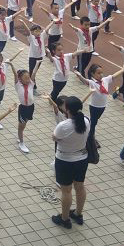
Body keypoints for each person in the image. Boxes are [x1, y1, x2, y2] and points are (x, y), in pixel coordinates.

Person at [51, 96, 91, 229]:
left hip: (65, 160)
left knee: (66, 191)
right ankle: (78, 214)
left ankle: (65, 219)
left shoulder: (63, 125)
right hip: (82, 159)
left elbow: (55, 138)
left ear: (67, 109)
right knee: (80, 187)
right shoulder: (86, 121)